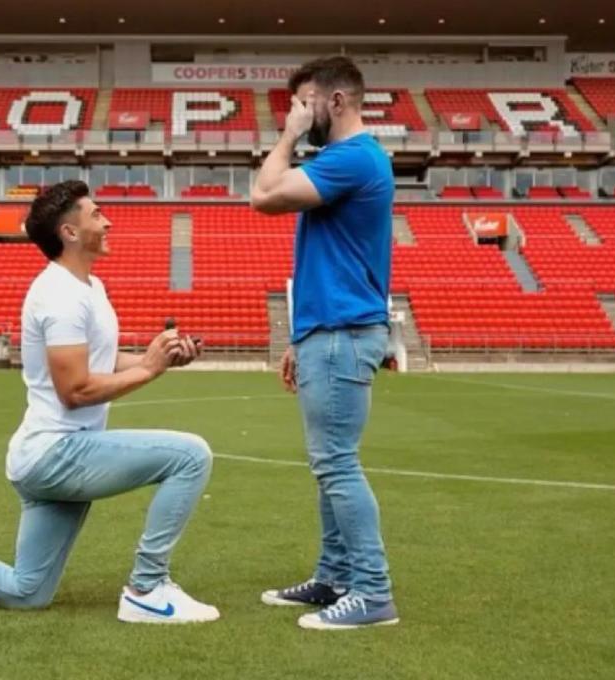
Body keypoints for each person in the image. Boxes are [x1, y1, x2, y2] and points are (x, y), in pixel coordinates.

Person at [0, 180, 219, 624]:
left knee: (26, 592)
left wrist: (157, 358)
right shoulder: (60, 296)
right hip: (57, 453)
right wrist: (148, 370)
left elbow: (100, 361)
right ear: (69, 233)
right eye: (95, 214)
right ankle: (148, 588)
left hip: (47, 457)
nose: (107, 221)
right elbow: (77, 391)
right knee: (190, 455)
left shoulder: (89, 288)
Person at [250, 56, 398, 630]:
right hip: (327, 329)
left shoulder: (352, 159)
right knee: (328, 463)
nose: (297, 113)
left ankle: (373, 592)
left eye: (304, 102)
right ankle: (336, 576)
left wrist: (287, 136)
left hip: (342, 332)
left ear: (336, 102)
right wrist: (299, 336)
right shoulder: (346, 159)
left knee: (336, 463)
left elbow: (261, 196)